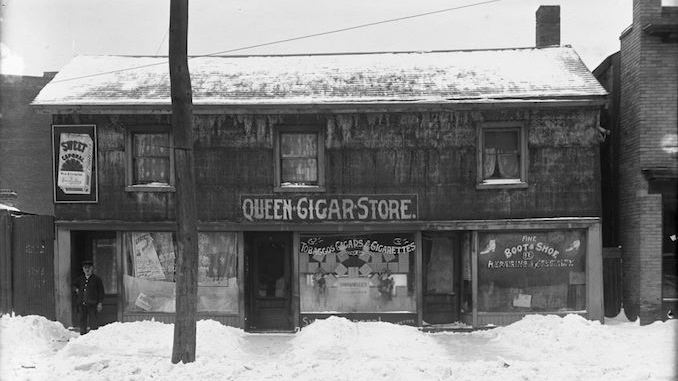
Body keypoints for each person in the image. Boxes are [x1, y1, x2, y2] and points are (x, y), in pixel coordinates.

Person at [72, 259, 105, 334]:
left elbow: (101, 292)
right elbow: (73, 285)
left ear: (92, 268)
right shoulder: (80, 279)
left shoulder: (97, 279)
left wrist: (100, 303)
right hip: (82, 303)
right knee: (82, 320)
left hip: (92, 304)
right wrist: (76, 289)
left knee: (93, 321)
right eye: (85, 268)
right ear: (83, 269)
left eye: (89, 268)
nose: (87, 270)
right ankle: (83, 336)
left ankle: (93, 337)